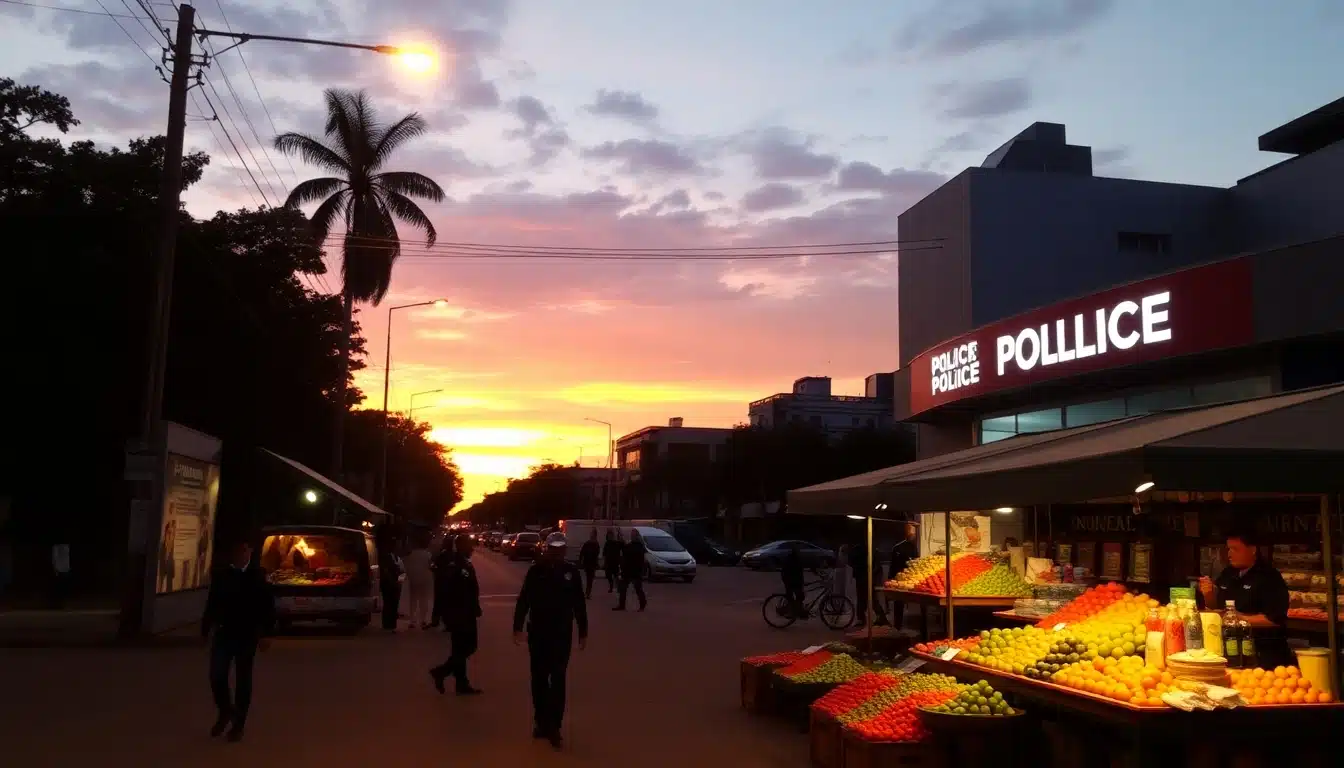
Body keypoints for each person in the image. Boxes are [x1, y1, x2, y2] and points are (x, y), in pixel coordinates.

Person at [513, 534, 588, 749]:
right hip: (538, 632)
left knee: (558, 678)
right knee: (539, 679)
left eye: (560, 549)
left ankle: (555, 725)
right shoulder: (536, 571)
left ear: (564, 550)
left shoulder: (571, 573)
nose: (557, 552)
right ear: (547, 549)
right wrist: (517, 627)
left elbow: (579, 603)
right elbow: (524, 599)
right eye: (553, 549)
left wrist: (583, 631)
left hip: (561, 634)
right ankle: (541, 721)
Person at [201, 538, 275, 743]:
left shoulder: (258, 575)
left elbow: (267, 606)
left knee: (243, 679)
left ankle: (238, 724)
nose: (241, 555)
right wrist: (205, 629)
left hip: (247, 634)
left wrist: (266, 633)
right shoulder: (222, 574)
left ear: (250, 551)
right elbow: (212, 602)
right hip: (224, 632)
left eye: (244, 550)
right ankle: (226, 710)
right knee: (217, 675)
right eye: (237, 551)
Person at [1198, 528, 1292, 668]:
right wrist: (1208, 595)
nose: (1229, 554)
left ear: (1253, 550)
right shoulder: (1228, 573)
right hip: (1230, 651)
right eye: (1228, 549)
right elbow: (1216, 609)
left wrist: (1239, 618)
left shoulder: (1269, 577)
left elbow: (1274, 619)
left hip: (1263, 656)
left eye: (1235, 549)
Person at [429, 534, 483, 695]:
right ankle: (441, 672)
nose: (472, 549)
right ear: (460, 546)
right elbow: (446, 590)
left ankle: (461, 683)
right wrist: (443, 614)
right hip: (459, 614)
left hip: (465, 612)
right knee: (468, 646)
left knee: (460, 649)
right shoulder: (455, 565)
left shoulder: (463, 563)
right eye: (469, 545)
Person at [848, 539, 886, 628]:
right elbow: (877, 566)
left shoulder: (858, 550)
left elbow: (852, 563)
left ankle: (863, 618)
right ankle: (879, 617)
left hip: (863, 577)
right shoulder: (870, 550)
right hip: (866, 577)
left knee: (864, 598)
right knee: (870, 598)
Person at [886, 523, 918, 630]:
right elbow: (893, 565)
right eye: (910, 532)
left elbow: (916, 563)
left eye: (913, 533)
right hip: (898, 579)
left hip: (911, 579)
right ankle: (898, 625)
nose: (912, 535)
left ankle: (902, 624)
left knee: (905, 602)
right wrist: (891, 578)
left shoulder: (914, 547)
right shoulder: (897, 548)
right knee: (898, 602)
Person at [404, 534, 435, 629]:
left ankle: (412, 620)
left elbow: (406, 566)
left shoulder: (410, 554)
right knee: (424, 599)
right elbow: (431, 566)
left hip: (413, 579)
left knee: (413, 599)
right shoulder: (428, 554)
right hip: (425, 579)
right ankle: (423, 620)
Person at [615, 528, 647, 612]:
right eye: (631, 535)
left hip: (635, 571)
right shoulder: (631, 545)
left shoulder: (639, 546)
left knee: (638, 589)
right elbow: (624, 550)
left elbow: (629, 552)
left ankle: (642, 605)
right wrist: (621, 540)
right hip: (627, 571)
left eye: (633, 535)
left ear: (637, 536)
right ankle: (622, 605)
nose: (632, 536)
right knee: (623, 588)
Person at [378, 540, 403, 632]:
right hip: (388, 583)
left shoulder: (396, 557)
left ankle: (391, 624)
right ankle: (388, 624)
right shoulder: (386, 557)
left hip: (394, 583)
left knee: (393, 604)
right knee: (389, 603)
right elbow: (386, 571)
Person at [781, 542, 806, 619]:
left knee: (799, 596)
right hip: (791, 580)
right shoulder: (793, 559)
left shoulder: (795, 558)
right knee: (797, 596)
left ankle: (799, 612)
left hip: (792, 579)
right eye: (799, 549)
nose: (800, 551)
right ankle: (793, 612)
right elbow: (794, 571)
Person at [578, 530, 600, 600]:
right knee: (589, 579)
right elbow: (582, 552)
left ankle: (587, 592)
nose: (591, 536)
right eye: (591, 534)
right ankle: (587, 593)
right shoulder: (589, 543)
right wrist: (580, 560)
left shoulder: (595, 544)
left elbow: (596, 554)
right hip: (588, 563)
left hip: (591, 563)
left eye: (592, 534)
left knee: (589, 579)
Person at [602, 529, 623, 593]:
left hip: (615, 562)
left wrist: (619, 534)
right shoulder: (607, 543)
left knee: (616, 576)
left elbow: (622, 544)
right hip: (608, 562)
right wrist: (604, 562)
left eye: (611, 535)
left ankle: (618, 587)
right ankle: (611, 586)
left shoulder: (616, 543)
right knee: (609, 576)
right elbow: (604, 553)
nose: (610, 537)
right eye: (609, 536)